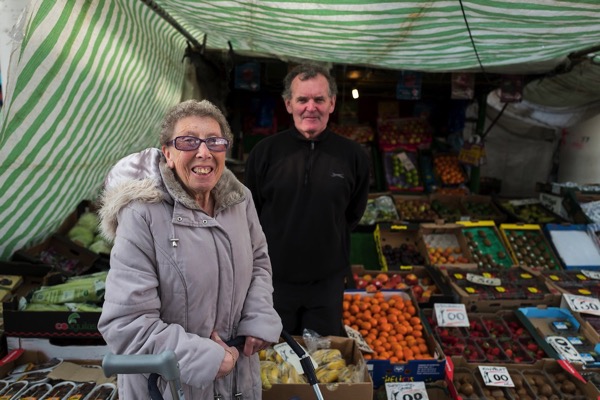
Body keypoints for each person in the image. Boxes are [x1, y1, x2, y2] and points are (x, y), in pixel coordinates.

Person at [97, 99, 282, 399]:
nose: (204, 152)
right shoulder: (141, 215)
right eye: (188, 141)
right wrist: (204, 358)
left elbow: (259, 262)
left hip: (238, 382)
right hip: (169, 389)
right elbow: (126, 324)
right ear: (168, 153)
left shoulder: (240, 201)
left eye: (214, 141)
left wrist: (258, 315)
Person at [245, 63, 370, 337]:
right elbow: (251, 212)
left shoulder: (353, 156)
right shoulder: (265, 153)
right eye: (302, 99)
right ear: (289, 104)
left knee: (323, 356)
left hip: (327, 284)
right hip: (273, 280)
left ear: (332, 103)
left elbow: (353, 213)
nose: (310, 108)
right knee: (273, 355)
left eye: (319, 100)